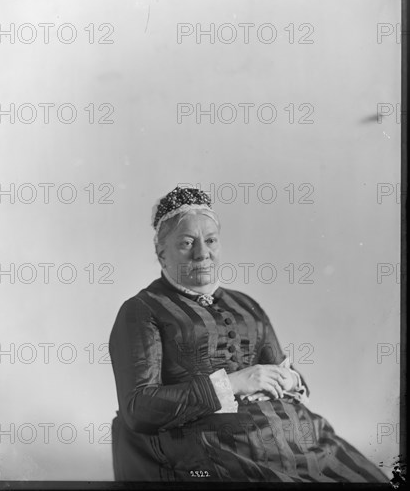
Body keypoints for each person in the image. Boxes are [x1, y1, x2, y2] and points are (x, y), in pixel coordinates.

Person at [109, 186, 388, 483]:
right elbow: (138, 407)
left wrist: (288, 378)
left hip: (294, 434)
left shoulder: (245, 304)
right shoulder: (141, 310)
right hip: (212, 441)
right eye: (186, 243)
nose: (202, 253)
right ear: (161, 253)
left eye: (211, 240)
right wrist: (234, 383)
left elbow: (288, 374)